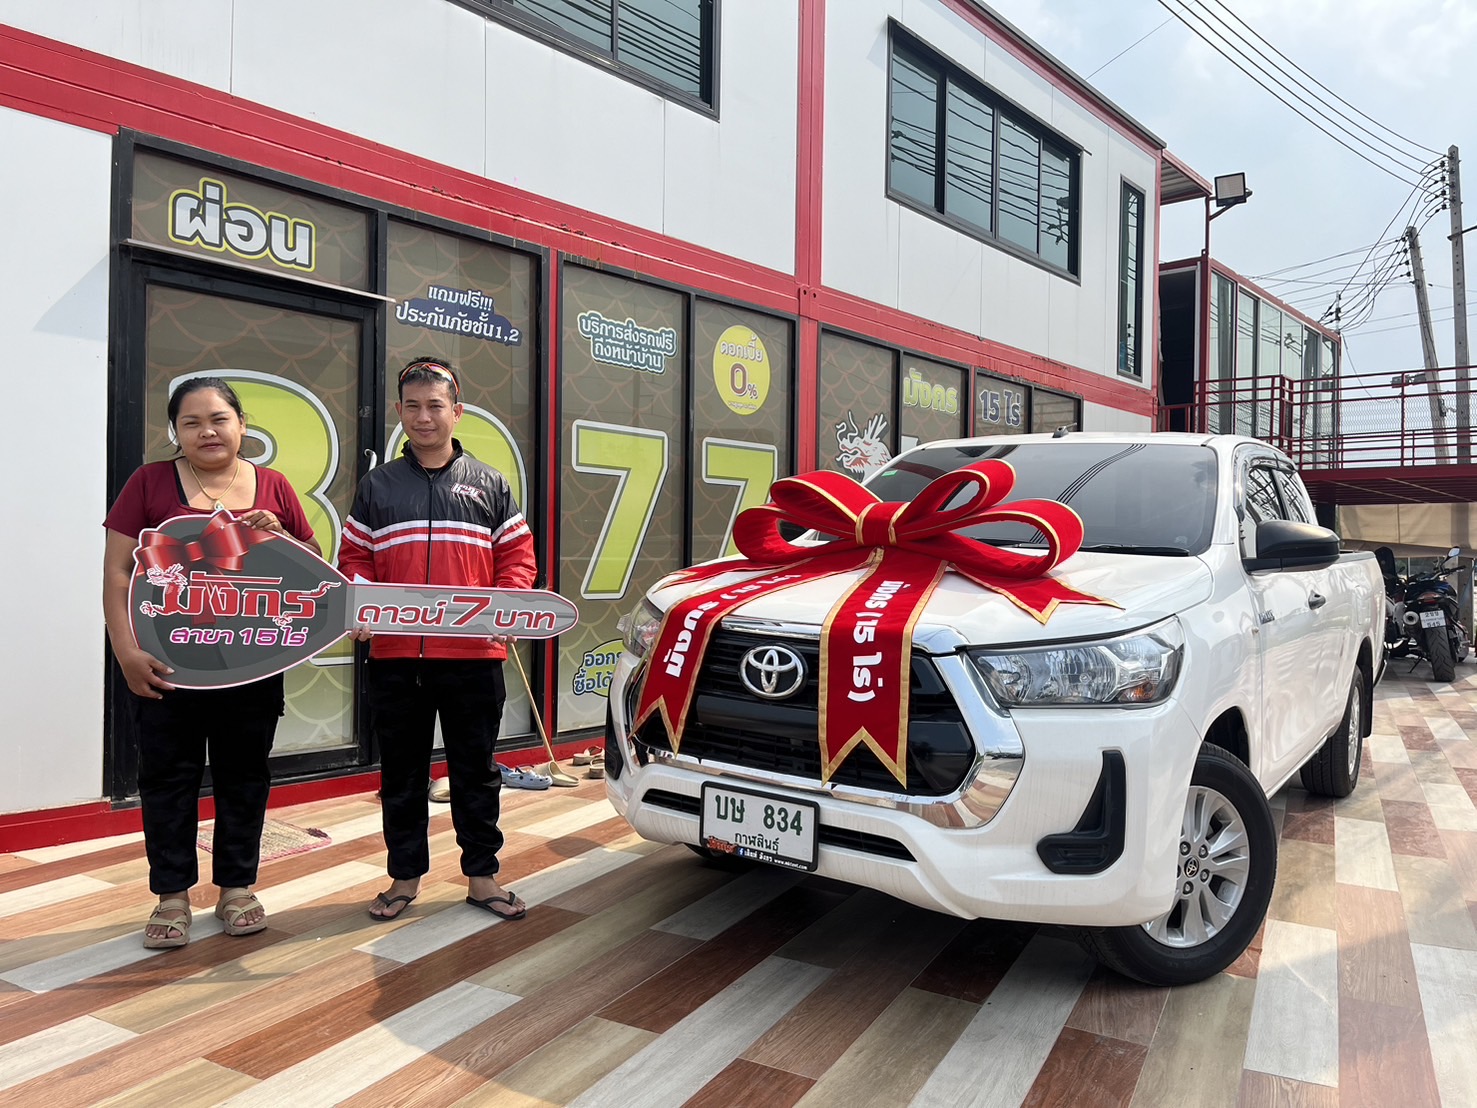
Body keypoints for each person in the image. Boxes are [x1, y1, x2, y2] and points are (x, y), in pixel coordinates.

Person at [102, 377, 318, 949]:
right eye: (192, 422)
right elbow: (118, 571)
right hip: (167, 664)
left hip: (253, 666)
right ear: (176, 431)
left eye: (219, 419)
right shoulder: (149, 482)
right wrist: (125, 651)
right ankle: (171, 896)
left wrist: (281, 538)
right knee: (166, 779)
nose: (207, 431)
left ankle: (237, 889)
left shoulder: (274, 486)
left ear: (242, 424)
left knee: (244, 778)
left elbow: (314, 568)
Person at [340, 357, 537, 922]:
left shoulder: (491, 484)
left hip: (473, 657)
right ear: (399, 411)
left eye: (435, 406)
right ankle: (404, 878)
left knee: (477, 771)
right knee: (401, 774)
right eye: (412, 406)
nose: (423, 417)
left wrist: (505, 607)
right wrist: (361, 600)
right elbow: (355, 558)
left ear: (457, 411)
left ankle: (482, 877)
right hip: (395, 656)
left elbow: (517, 560)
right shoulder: (377, 486)